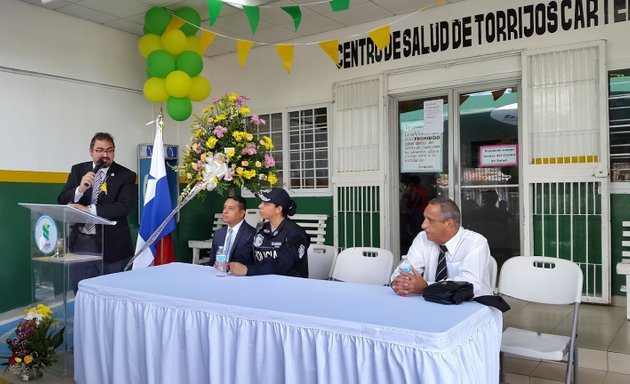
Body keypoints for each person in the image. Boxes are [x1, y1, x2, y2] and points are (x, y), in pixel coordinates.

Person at [57, 132, 136, 287]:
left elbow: (124, 207)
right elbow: (62, 200)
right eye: (100, 150)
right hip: (81, 244)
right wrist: (79, 189)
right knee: (82, 291)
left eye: (109, 150)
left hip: (111, 247)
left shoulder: (126, 175)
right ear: (91, 151)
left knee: (111, 295)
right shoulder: (78, 170)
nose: (105, 155)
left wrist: (89, 209)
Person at [390, 197, 493, 298]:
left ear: (449, 224)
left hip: (474, 305)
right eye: (424, 218)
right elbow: (404, 271)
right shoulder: (423, 238)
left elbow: (468, 285)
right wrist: (401, 281)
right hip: (432, 303)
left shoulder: (475, 243)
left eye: (430, 220)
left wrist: (426, 287)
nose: (423, 225)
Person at [229, 188, 310, 278]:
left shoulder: (296, 234)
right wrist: (232, 264)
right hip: (263, 282)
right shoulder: (262, 229)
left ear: (278, 209)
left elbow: (281, 265)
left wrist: (247, 270)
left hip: (290, 286)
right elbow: (248, 253)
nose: (260, 206)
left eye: (266, 204)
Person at [208, 195, 255, 267]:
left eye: (231, 208)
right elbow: (211, 261)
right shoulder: (219, 234)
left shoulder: (251, 234)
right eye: (224, 207)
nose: (225, 211)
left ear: (242, 213)